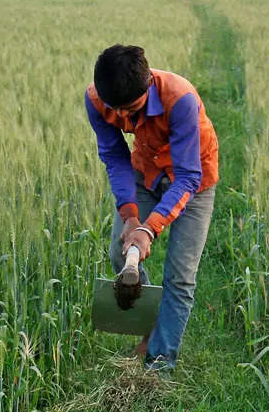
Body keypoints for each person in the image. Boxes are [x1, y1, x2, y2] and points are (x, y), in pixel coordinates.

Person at [85, 44, 219, 372]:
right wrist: (131, 216)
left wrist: (149, 228)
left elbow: (188, 177)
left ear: (147, 84)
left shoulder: (181, 99)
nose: (126, 119)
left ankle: (160, 364)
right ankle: (150, 332)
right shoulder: (95, 101)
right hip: (145, 172)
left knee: (180, 276)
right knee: (121, 253)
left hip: (194, 179)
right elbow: (115, 156)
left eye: (132, 109)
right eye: (118, 111)